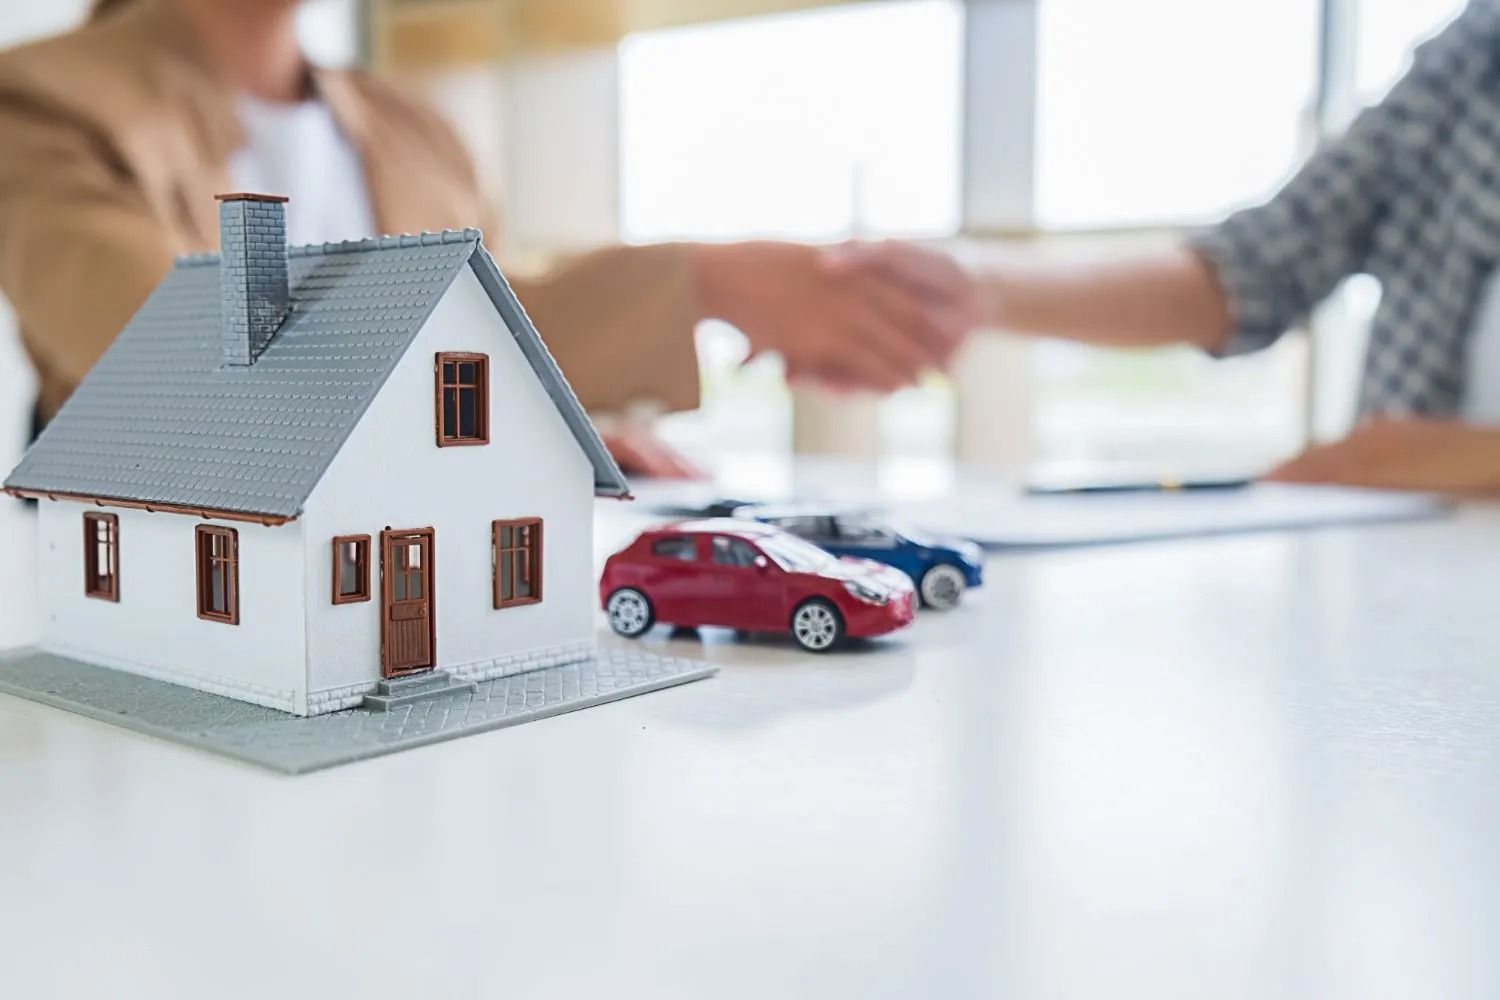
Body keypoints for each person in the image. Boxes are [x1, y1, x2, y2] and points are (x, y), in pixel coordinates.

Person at [0, 0, 972, 476]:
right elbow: (191, 355)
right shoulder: (37, 101)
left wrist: (544, 426)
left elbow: (493, 318)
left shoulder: (416, 128)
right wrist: (696, 284)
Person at [847, 0, 1500, 494]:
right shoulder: (1477, 52)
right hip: (1413, 567)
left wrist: (1460, 458)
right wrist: (971, 287)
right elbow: (1260, 265)